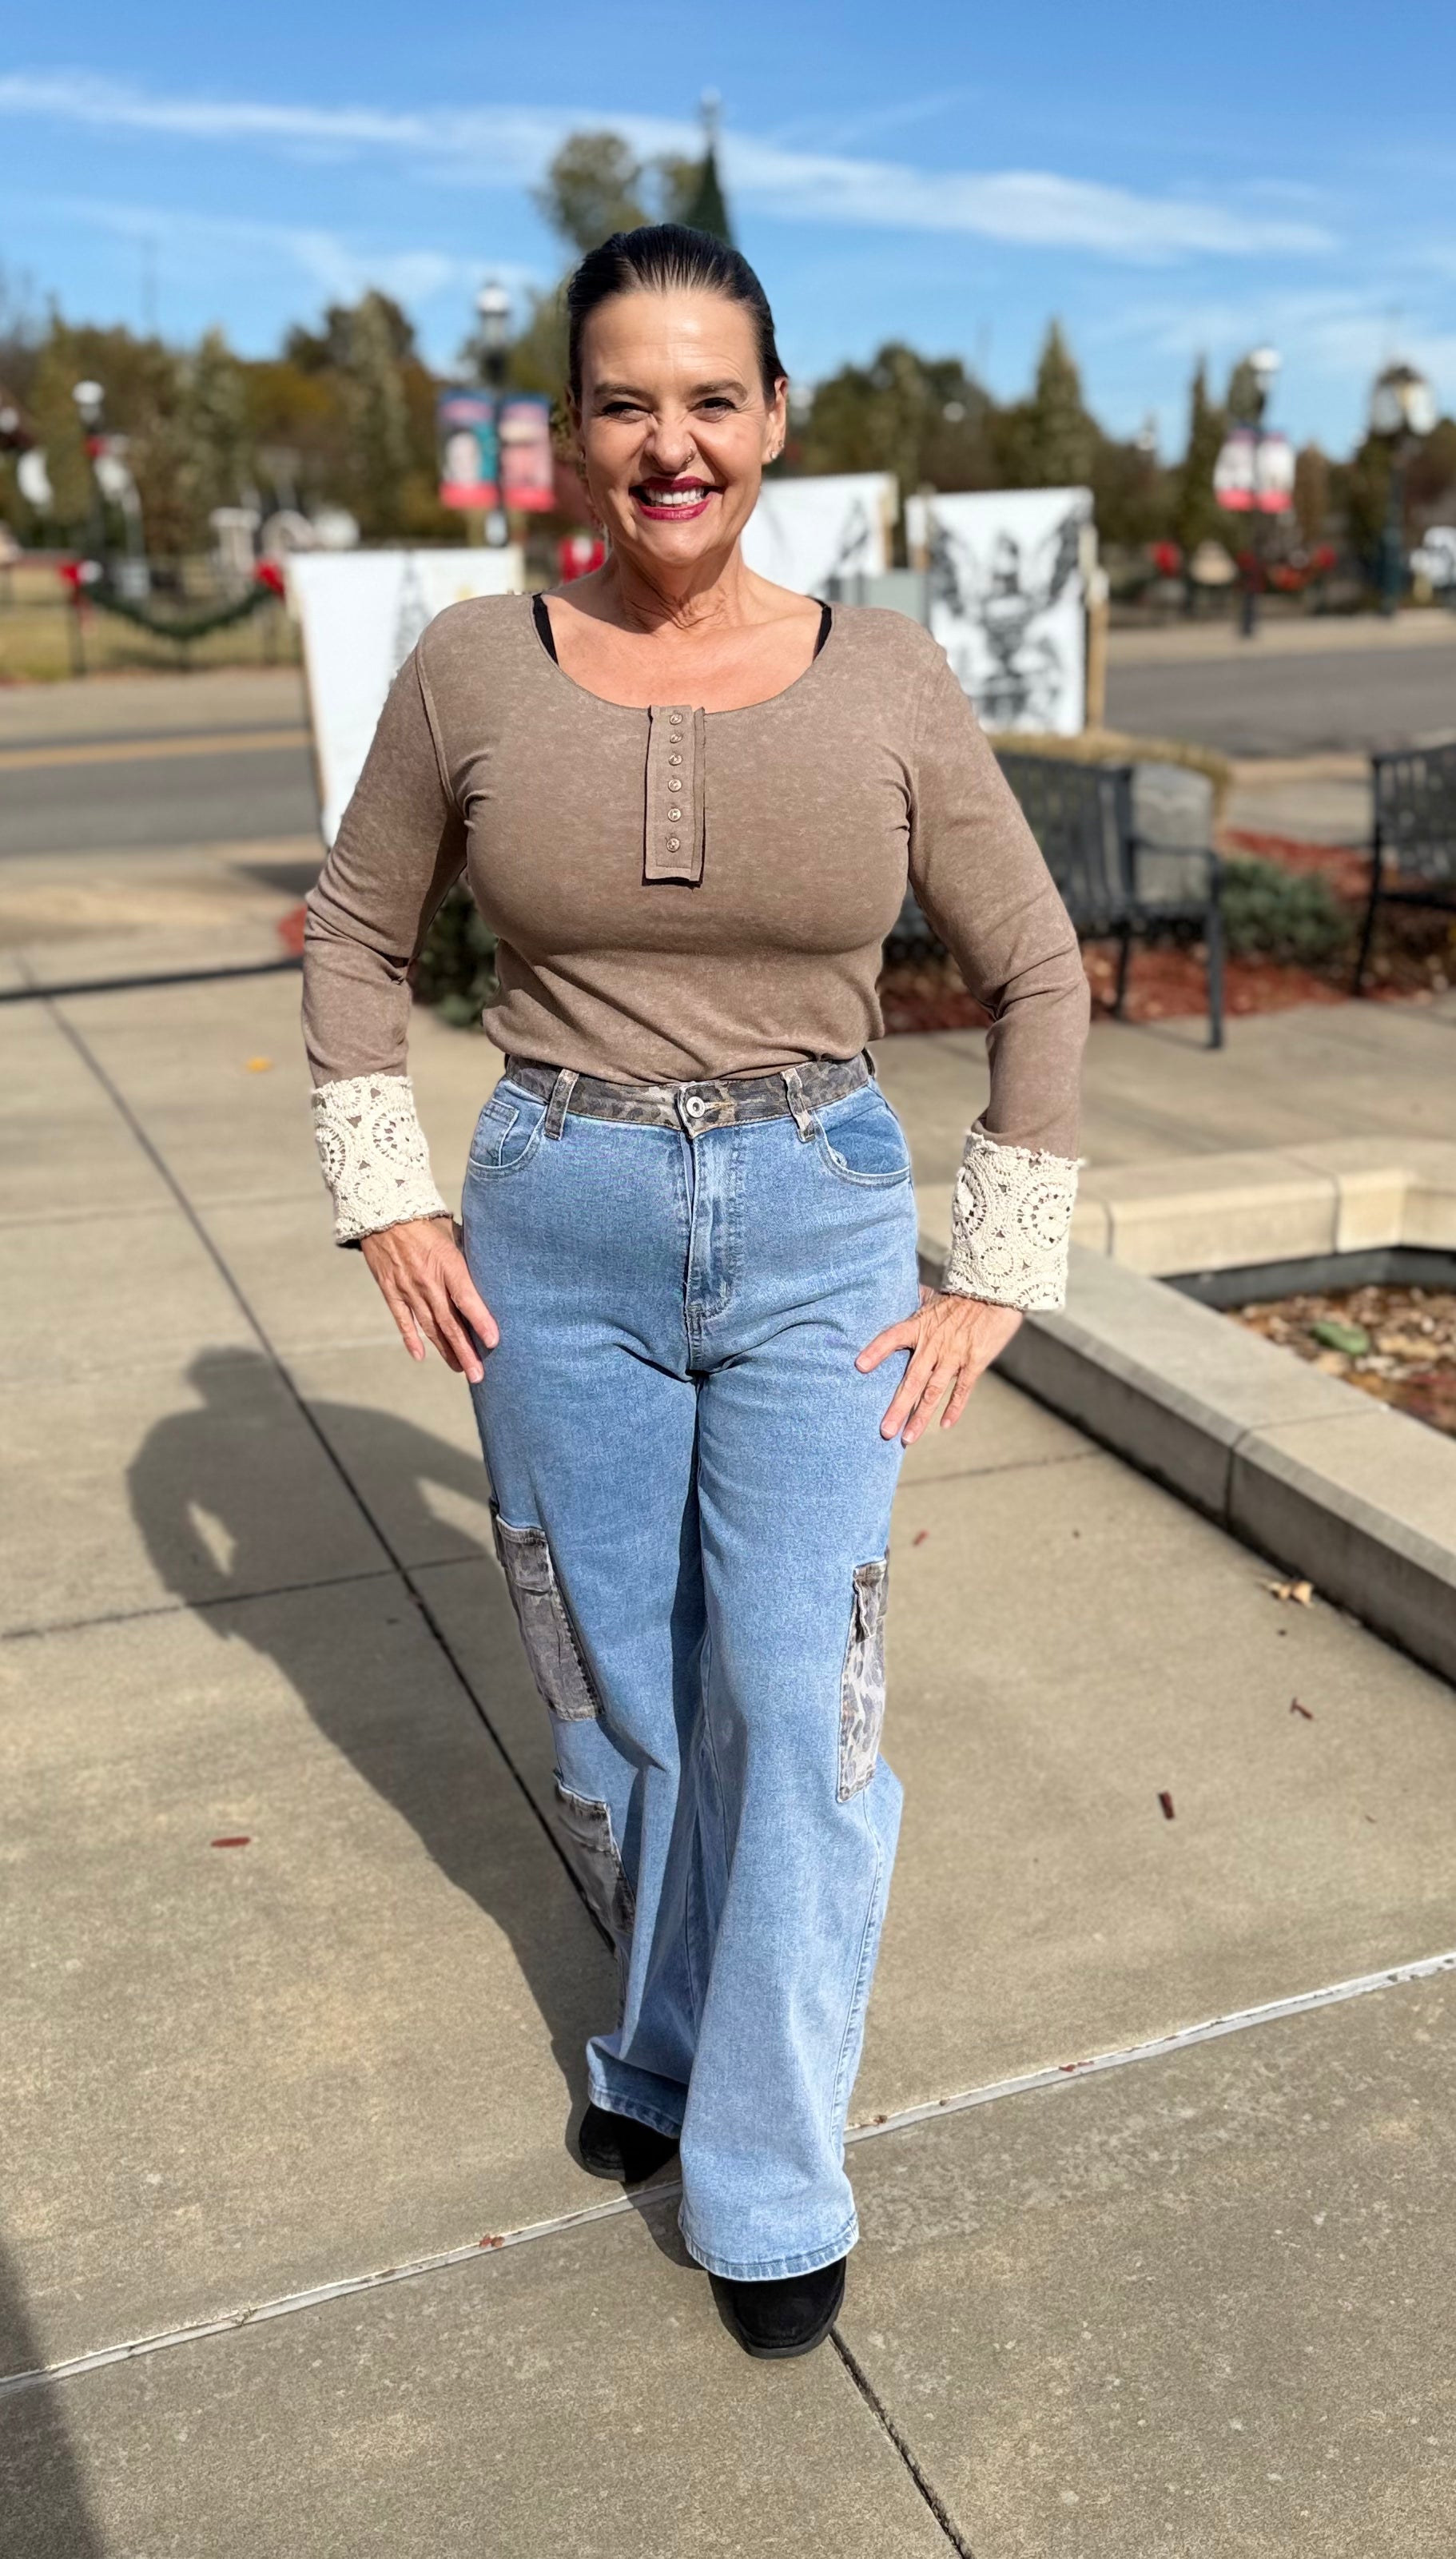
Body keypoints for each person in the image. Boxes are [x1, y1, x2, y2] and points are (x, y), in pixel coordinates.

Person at [302, 225, 1088, 2360]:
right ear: (569, 428)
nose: (672, 443)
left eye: (712, 400)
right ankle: (654, 2050)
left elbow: (1036, 967)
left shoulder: (891, 673)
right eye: (626, 399)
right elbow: (356, 936)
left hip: (819, 1221)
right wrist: (387, 1196)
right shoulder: (474, 665)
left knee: (803, 1711)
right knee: (615, 1699)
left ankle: (762, 2166)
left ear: (775, 423)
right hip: (553, 1224)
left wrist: (996, 1269)